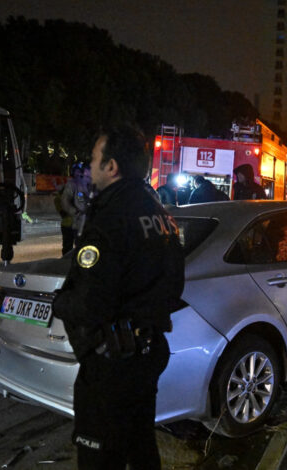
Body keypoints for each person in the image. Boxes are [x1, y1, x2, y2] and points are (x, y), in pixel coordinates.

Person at [52, 125, 185, 470]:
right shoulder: (160, 214)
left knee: (100, 457)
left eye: (96, 158)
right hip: (148, 352)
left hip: (112, 365)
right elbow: (175, 287)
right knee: (141, 446)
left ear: (112, 167)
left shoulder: (111, 218)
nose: (91, 165)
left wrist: (58, 302)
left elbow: (90, 303)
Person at [59, 162, 91, 255]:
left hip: (82, 223)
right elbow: (64, 201)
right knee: (68, 249)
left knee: (81, 248)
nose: (78, 174)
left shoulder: (88, 184)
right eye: (76, 172)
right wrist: (75, 212)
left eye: (79, 172)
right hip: (71, 223)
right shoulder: (71, 184)